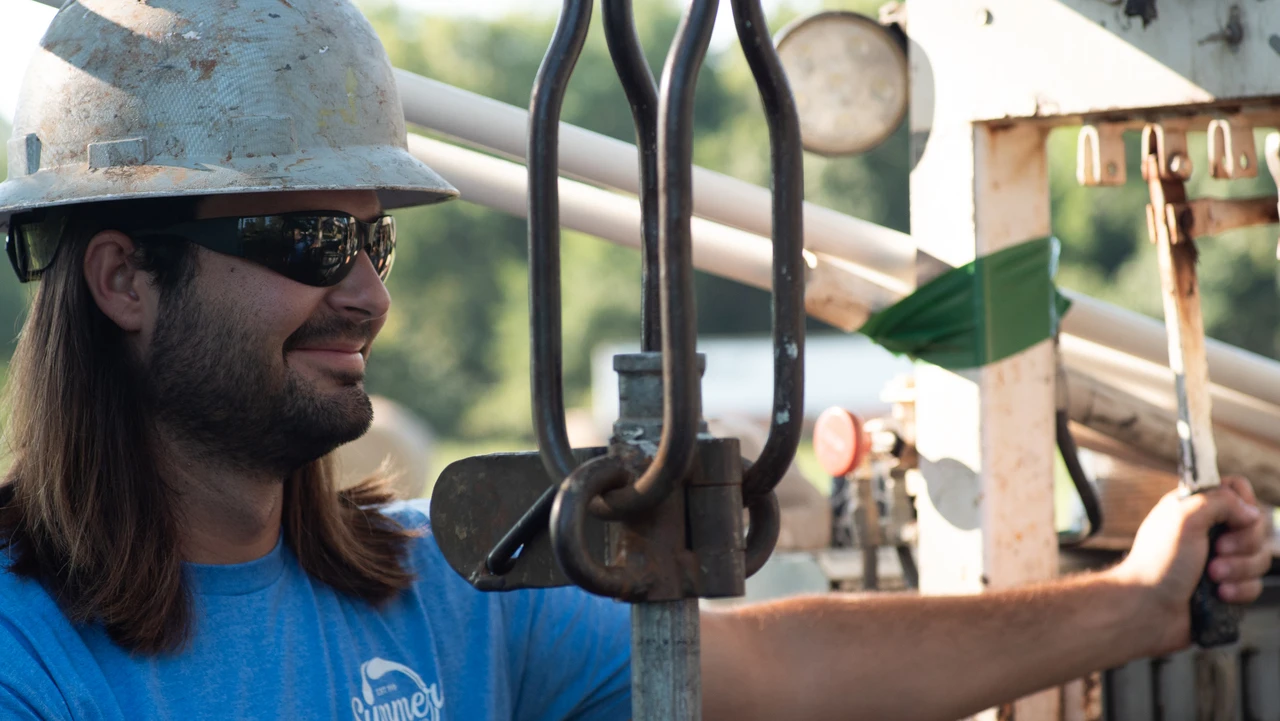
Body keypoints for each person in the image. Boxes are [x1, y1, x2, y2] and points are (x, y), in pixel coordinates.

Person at [0, 2, 1270, 720]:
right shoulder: (26, 648)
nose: (367, 289)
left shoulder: (437, 585)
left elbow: (777, 666)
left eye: (373, 234)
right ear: (122, 277)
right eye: (310, 235)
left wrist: (1138, 604)